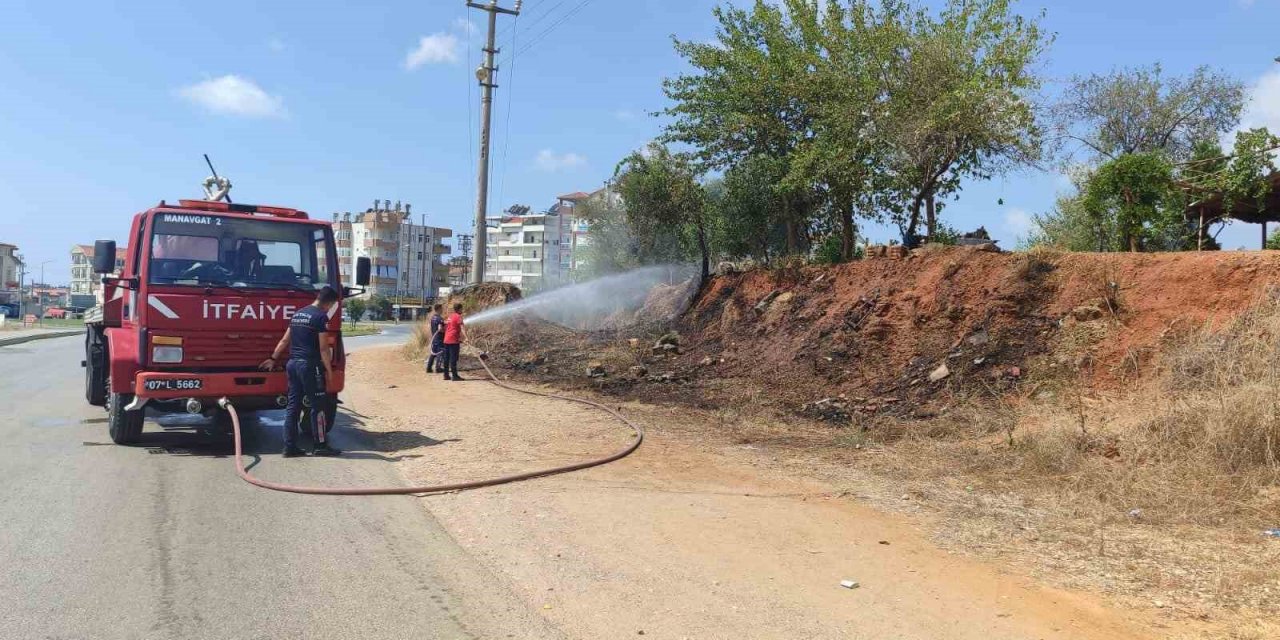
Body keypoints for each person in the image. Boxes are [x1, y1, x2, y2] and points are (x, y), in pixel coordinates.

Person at [260, 286, 342, 457]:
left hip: (292, 364)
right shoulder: (320, 317)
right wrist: (329, 370)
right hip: (310, 366)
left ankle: (289, 447)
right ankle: (320, 446)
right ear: (329, 303)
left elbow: (284, 340)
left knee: (293, 406)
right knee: (318, 406)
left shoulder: (298, 314)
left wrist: (273, 359)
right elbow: (323, 348)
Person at [441, 303, 466, 381]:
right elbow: (462, 328)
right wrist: (466, 338)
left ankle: (446, 375)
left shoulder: (450, 316)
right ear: (459, 309)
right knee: (453, 359)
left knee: (446, 358)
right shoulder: (459, 317)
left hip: (446, 340)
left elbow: (446, 327)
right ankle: (455, 376)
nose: (462, 310)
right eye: (461, 309)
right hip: (453, 341)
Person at [424, 303, 445, 373]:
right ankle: (438, 368)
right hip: (439, 338)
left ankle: (428, 368)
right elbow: (440, 328)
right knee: (440, 352)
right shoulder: (439, 318)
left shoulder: (433, 318)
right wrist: (445, 330)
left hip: (434, 338)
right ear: (439, 309)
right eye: (441, 309)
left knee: (433, 353)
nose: (442, 310)